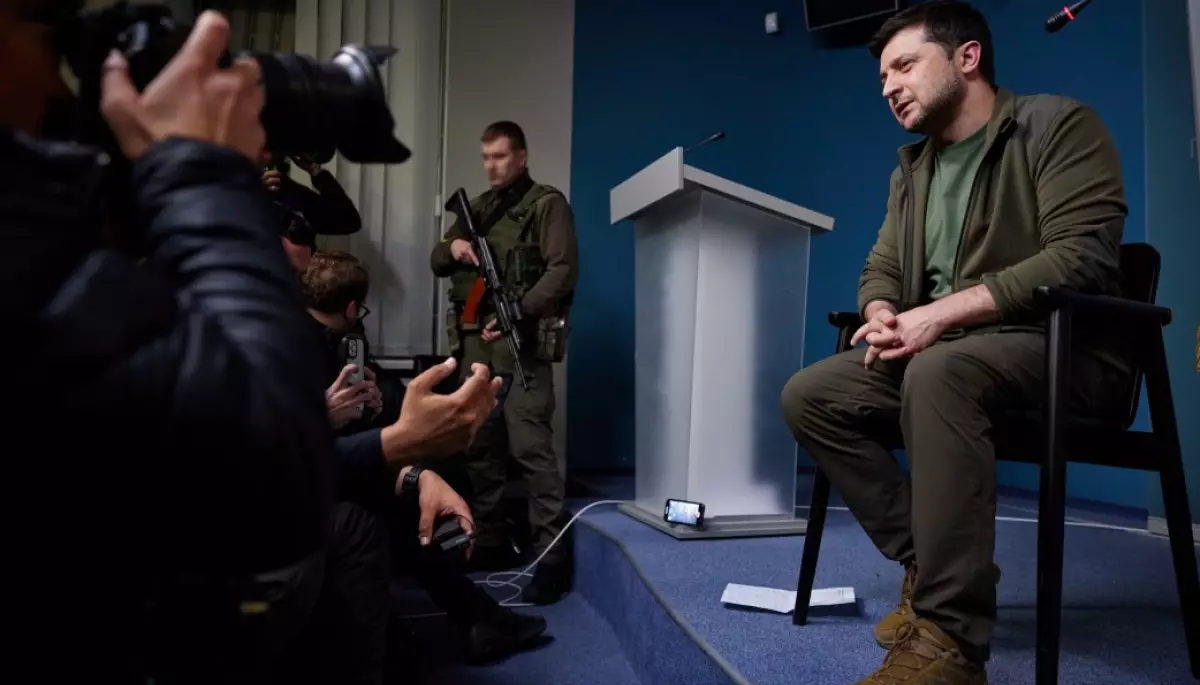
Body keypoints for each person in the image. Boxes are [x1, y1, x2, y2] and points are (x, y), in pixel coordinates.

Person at [779, 2, 1131, 683]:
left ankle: (950, 641)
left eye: (905, 65)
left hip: (1062, 352)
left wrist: (938, 315)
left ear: (967, 58)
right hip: (949, 357)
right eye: (883, 77)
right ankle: (933, 563)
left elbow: (1080, 257)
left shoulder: (1057, 125)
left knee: (939, 370)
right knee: (812, 394)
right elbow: (881, 266)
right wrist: (882, 311)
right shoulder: (913, 169)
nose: (889, 86)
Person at [302, 250, 550, 665]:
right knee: (402, 503)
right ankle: (475, 617)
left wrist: (379, 411)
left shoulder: (330, 343)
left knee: (414, 488)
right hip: (301, 488)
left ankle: (472, 617)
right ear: (351, 308)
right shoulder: (303, 349)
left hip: (328, 472)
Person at [431, 120, 579, 604]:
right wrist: (453, 246)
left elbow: (562, 269)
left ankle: (552, 557)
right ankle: (491, 541)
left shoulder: (546, 204)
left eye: (499, 156)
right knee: (481, 445)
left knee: (530, 448)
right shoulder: (477, 208)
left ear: (521, 156)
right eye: (486, 157)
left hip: (521, 343)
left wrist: (518, 309)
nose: (491, 166)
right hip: (475, 345)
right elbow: (437, 258)